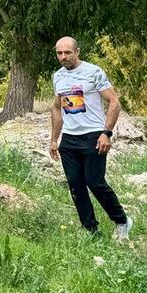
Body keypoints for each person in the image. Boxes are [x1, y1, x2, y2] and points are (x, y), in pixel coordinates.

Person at [50, 37, 132, 239]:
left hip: (93, 135)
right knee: (75, 185)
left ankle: (122, 220)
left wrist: (107, 133)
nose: (63, 57)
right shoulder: (58, 77)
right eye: (59, 53)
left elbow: (114, 101)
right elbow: (56, 107)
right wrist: (54, 139)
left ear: (77, 52)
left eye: (67, 52)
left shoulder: (93, 72)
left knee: (94, 182)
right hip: (69, 139)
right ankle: (91, 231)